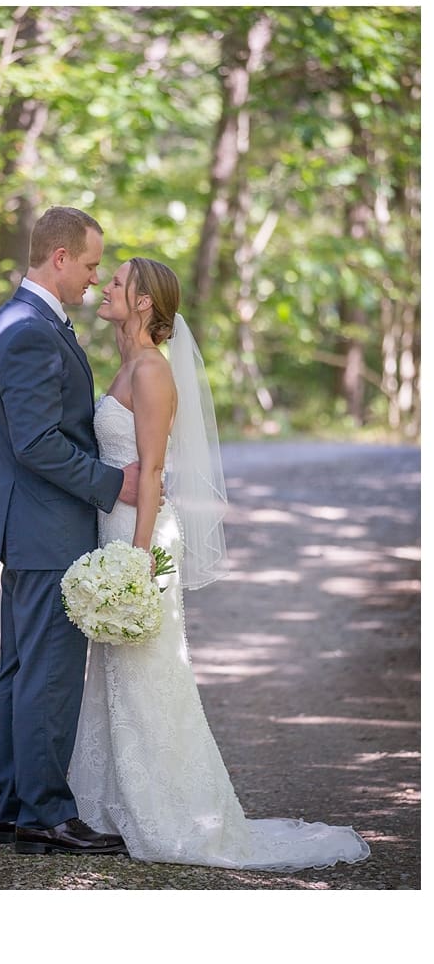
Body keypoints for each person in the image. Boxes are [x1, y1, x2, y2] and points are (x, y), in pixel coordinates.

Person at [68, 256, 370, 869]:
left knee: (152, 677)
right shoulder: (126, 364)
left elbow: (153, 471)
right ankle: (112, 805)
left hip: (139, 537)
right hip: (117, 529)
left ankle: (174, 814)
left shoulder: (152, 372)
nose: (105, 287)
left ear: (145, 302)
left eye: (118, 283)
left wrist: (136, 559)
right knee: (115, 679)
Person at [0, 206, 141, 856]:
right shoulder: (29, 331)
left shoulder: (20, 321)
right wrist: (110, 483)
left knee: (20, 669)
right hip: (45, 527)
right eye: (93, 263)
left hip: (29, 526)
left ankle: (18, 804)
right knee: (47, 673)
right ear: (60, 257)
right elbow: (38, 441)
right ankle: (44, 811)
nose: (97, 277)